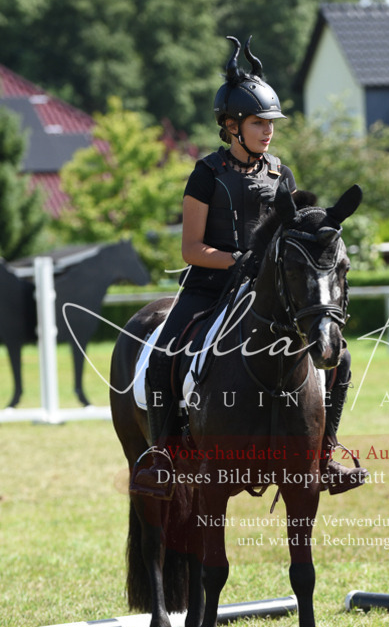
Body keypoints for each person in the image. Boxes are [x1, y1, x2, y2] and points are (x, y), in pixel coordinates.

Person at [130, 36, 366, 498]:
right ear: (231, 126)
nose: (268, 131)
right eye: (259, 122)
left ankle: (325, 453)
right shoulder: (206, 174)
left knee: (342, 358)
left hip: (268, 291)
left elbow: (295, 235)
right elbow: (192, 249)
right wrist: (239, 260)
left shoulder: (282, 174)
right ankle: (162, 453)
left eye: (271, 123)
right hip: (208, 286)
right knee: (163, 354)